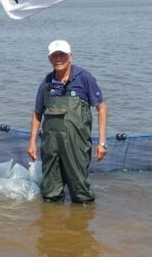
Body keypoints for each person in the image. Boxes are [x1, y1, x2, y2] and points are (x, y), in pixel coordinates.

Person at [27, 40, 107, 203]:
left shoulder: (83, 78)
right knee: (50, 193)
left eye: (61, 55)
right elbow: (37, 113)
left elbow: (101, 108)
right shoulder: (47, 83)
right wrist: (32, 142)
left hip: (76, 145)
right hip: (51, 145)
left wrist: (102, 142)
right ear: (49, 59)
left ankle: (81, 223)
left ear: (70, 56)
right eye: (54, 56)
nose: (58, 59)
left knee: (81, 192)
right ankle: (51, 225)